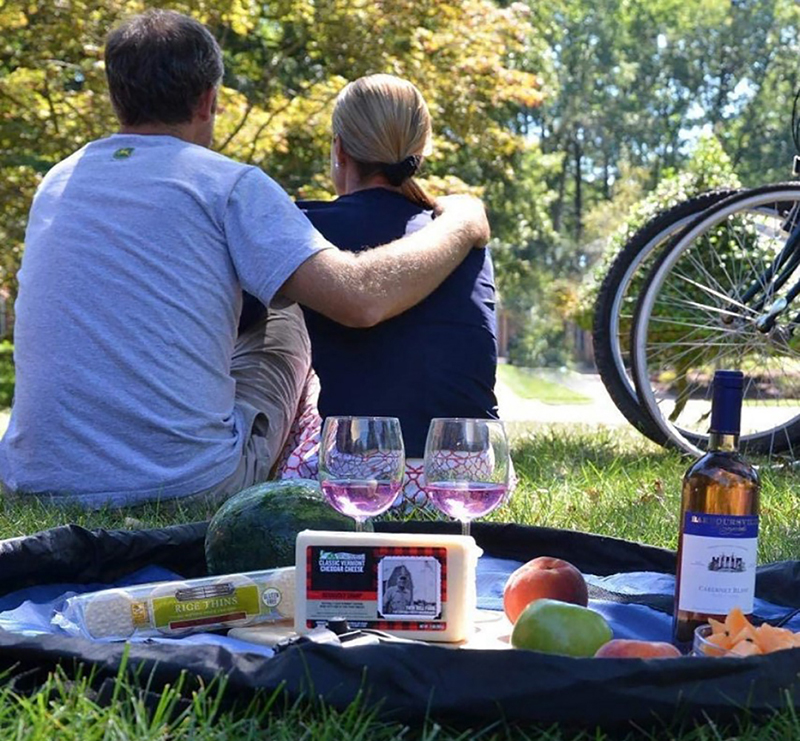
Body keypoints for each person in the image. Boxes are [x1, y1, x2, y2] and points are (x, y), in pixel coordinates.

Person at [0, 10, 489, 509]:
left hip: (34, 479)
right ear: (208, 100)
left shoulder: (57, 182)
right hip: (186, 484)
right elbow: (358, 300)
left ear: (116, 96)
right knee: (285, 309)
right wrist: (462, 222)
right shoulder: (227, 184)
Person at [275, 75, 498, 508]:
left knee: (278, 321)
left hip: (363, 480)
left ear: (339, 149)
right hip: (471, 478)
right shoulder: (461, 238)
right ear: (420, 152)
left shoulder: (307, 230)